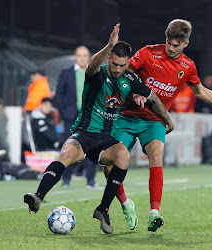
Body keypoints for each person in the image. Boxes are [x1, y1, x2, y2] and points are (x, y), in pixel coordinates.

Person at [24, 23, 174, 234]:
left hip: (105, 138)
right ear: (108, 59)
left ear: (127, 63)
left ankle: (103, 209)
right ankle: (38, 197)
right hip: (83, 133)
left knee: (122, 154)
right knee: (66, 153)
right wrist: (107, 46)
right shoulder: (97, 74)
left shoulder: (130, 80)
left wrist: (168, 120)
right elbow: (92, 65)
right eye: (114, 64)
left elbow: (154, 99)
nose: (117, 69)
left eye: (122, 65)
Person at [104, 19, 212, 233]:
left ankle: (154, 213)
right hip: (126, 116)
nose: (171, 48)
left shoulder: (187, 66)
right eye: (169, 43)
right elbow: (124, 73)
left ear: (186, 44)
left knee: (156, 156)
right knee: (109, 165)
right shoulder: (147, 53)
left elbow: (201, 92)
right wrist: (134, 91)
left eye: (176, 45)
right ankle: (126, 204)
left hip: (154, 120)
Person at [53, 45, 98, 187]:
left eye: (85, 55)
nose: (83, 58)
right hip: (71, 117)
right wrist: (64, 112)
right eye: (80, 55)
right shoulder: (66, 73)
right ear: (75, 56)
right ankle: (66, 179)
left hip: (90, 116)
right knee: (69, 148)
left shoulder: (95, 73)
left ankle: (90, 180)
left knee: (91, 148)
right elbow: (58, 95)